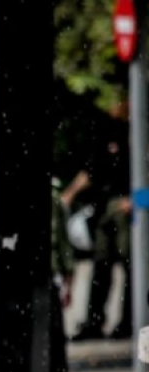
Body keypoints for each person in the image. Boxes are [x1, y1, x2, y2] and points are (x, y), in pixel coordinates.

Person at [63, 101, 133, 341]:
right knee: (101, 266)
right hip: (103, 206)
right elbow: (92, 170)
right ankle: (94, 322)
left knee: (130, 266)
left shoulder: (137, 133)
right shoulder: (107, 132)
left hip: (128, 207)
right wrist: (70, 194)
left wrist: (139, 200)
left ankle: (129, 323)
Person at [51, 182, 75, 372]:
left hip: (48, 275)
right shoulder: (54, 199)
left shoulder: (53, 199)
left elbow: (61, 242)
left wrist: (68, 282)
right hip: (48, 274)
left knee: (52, 331)